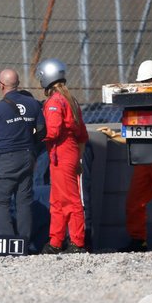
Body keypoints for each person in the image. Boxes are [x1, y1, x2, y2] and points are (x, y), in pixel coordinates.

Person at [98, 60, 152, 252]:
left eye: (149, 81)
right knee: (134, 203)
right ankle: (138, 241)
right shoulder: (139, 104)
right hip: (144, 162)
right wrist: (113, 135)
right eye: (144, 82)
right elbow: (135, 136)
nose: (145, 86)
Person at [0, 68, 45, 239]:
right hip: (28, 157)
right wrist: (30, 145)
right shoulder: (33, 104)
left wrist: (0, 148)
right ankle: (24, 242)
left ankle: (8, 243)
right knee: (24, 201)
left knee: (0, 201)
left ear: (1, 85)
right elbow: (42, 131)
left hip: (7, 158)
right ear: (17, 84)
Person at [36, 59, 89, 254]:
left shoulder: (54, 101)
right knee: (57, 201)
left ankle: (76, 242)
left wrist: (33, 133)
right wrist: (78, 160)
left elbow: (52, 131)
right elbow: (82, 134)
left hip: (61, 153)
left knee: (71, 201)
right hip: (70, 152)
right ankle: (56, 242)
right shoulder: (71, 100)